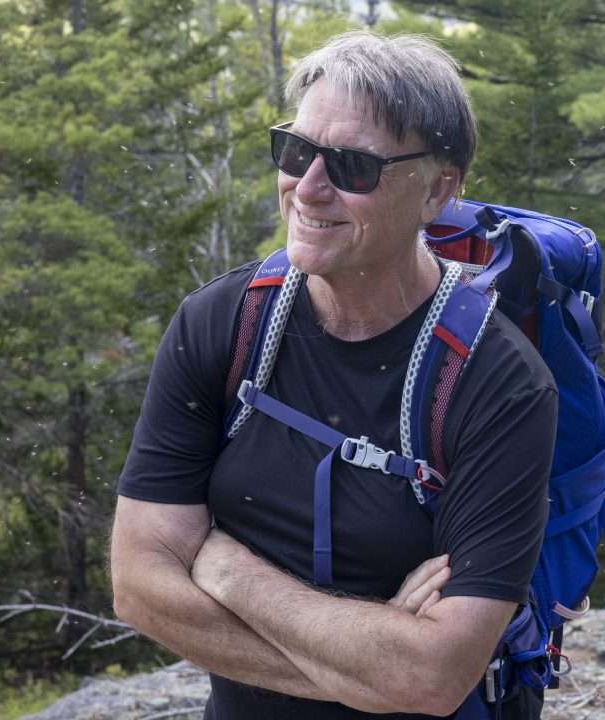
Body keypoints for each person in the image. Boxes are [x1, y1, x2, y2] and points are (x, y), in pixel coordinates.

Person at [110, 31, 557, 720]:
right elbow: (139, 587)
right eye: (295, 150)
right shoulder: (222, 324)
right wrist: (373, 667)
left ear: (437, 190)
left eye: (352, 167)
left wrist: (226, 570)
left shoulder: (497, 381)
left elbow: (434, 677)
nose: (307, 188)